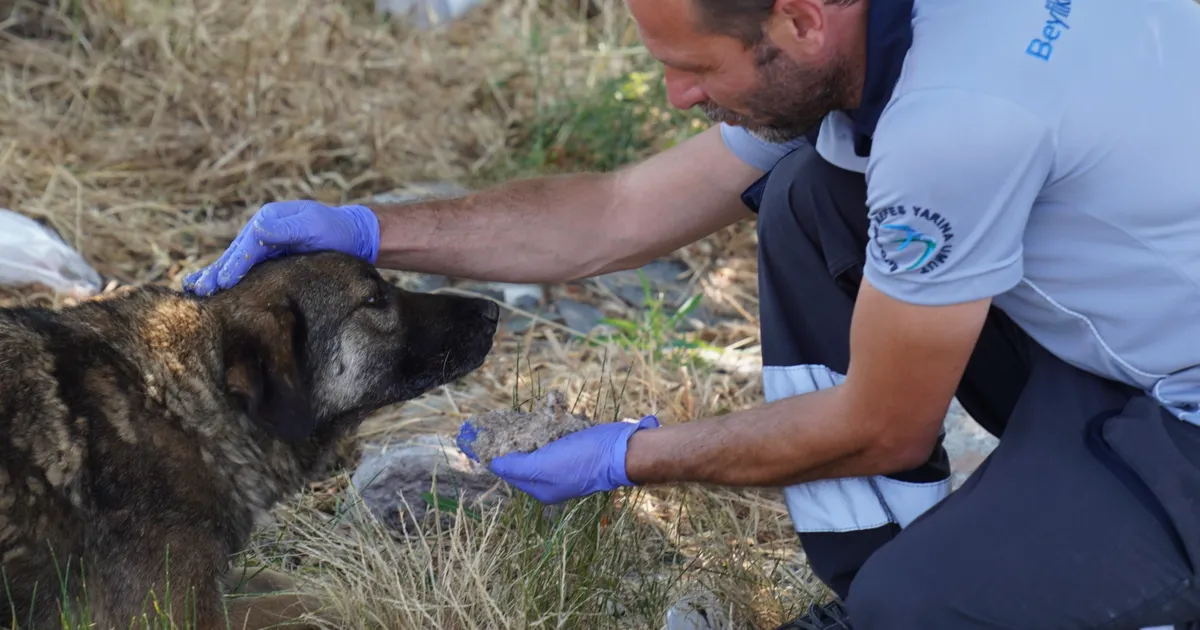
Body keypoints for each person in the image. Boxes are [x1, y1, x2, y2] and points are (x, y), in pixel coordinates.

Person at [184, 0, 1200, 626]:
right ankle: (883, 570)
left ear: (800, 18)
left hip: (1183, 408)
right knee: (814, 195)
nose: (673, 96)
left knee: (922, 610)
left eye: (695, 67)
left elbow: (882, 422)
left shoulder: (960, 121)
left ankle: (928, 597)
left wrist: (628, 454)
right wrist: (367, 229)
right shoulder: (877, 32)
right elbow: (616, 214)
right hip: (1137, 322)